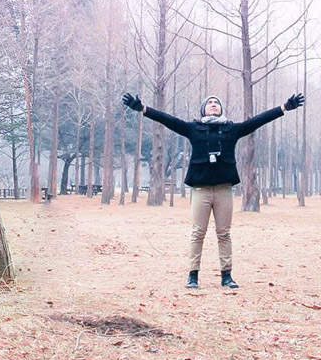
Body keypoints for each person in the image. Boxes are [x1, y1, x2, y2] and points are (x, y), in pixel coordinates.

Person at [122, 91, 306, 289]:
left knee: (224, 233)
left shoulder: (231, 130)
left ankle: (226, 276)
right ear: (203, 109)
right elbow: (168, 120)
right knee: (197, 232)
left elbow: (257, 121)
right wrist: (143, 109)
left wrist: (284, 108)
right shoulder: (193, 129)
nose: (213, 104)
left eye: (216, 103)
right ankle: (193, 275)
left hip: (223, 190)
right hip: (200, 190)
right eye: (209, 102)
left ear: (220, 109)